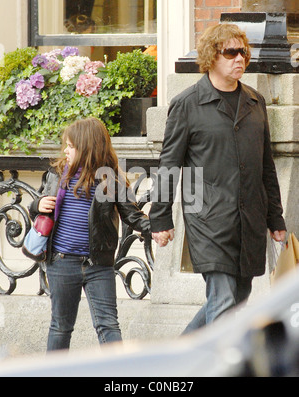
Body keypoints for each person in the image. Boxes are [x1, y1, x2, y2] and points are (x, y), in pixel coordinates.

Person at [149, 23, 286, 333]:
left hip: (249, 218)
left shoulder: (255, 102)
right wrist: (160, 219)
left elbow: (266, 166)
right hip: (209, 220)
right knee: (223, 299)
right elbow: (169, 165)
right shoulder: (187, 104)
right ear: (212, 57)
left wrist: (275, 219)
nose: (240, 58)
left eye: (244, 52)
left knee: (236, 299)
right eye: (231, 52)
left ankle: (182, 357)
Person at [28, 117, 150, 351]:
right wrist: (38, 204)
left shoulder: (110, 180)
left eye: (70, 146)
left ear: (86, 147)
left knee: (108, 326)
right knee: (61, 326)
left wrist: (156, 227)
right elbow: (40, 204)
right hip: (61, 262)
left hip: (98, 265)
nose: (65, 150)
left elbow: (131, 214)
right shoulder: (57, 174)